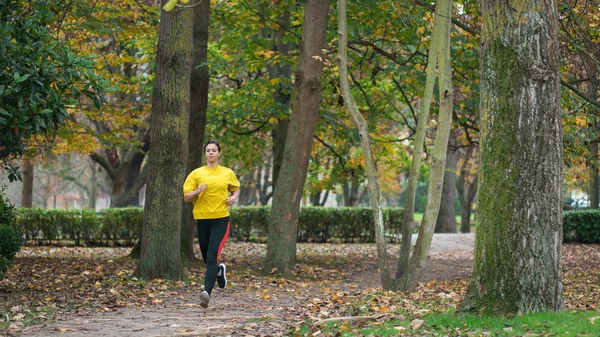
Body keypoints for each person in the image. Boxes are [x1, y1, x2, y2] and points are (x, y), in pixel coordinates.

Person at [183, 139, 240, 308]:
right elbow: (186, 197)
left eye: (214, 150)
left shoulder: (227, 172)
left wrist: (234, 198)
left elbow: (235, 188)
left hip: (221, 220)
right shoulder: (196, 174)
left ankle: (206, 292)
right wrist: (197, 191)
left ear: (219, 153)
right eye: (208, 150)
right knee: (208, 260)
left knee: (211, 256)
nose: (211, 153)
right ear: (205, 153)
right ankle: (219, 271)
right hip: (202, 220)